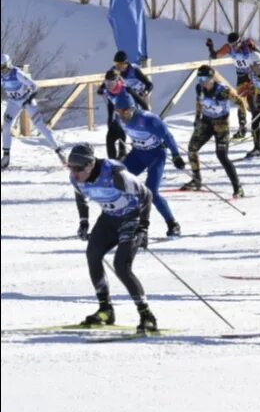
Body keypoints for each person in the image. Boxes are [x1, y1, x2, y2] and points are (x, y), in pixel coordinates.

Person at [65, 144, 159, 333]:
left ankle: (146, 314)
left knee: (121, 266)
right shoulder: (76, 178)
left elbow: (146, 195)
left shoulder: (116, 175)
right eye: (71, 167)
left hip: (131, 217)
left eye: (78, 168)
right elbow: (80, 197)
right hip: (109, 218)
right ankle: (105, 309)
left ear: (90, 165)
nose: (74, 173)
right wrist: (84, 221)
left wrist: (144, 227)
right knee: (92, 255)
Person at [111, 92, 186, 237]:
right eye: (118, 112)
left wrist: (176, 155)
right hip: (137, 154)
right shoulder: (119, 118)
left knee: (151, 192)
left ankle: (172, 223)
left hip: (156, 156)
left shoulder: (148, 120)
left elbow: (167, 136)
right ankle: (123, 223)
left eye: (123, 112)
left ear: (131, 109)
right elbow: (118, 133)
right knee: (118, 183)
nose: (121, 115)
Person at [179, 65, 248, 198]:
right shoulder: (199, 88)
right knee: (192, 149)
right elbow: (199, 102)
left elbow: (241, 103)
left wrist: (242, 123)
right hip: (206, 122)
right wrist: (197, 118)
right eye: (199, 78)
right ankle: (197, 180)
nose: (202, 81)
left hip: (221, 124)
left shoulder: (223, 90)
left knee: (222, 155)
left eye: (205, 78)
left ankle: (237, 187)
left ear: (212, 78)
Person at [1, 52, 63, 168]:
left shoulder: (17, 73)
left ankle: (59, 151)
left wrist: (29, 98)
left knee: (40, 126)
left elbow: (34, 86)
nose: (2, 71)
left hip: (27, 100)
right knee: (6, 126)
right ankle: (6, 156)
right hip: (13, 102)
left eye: (3, 68)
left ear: (8, 64)